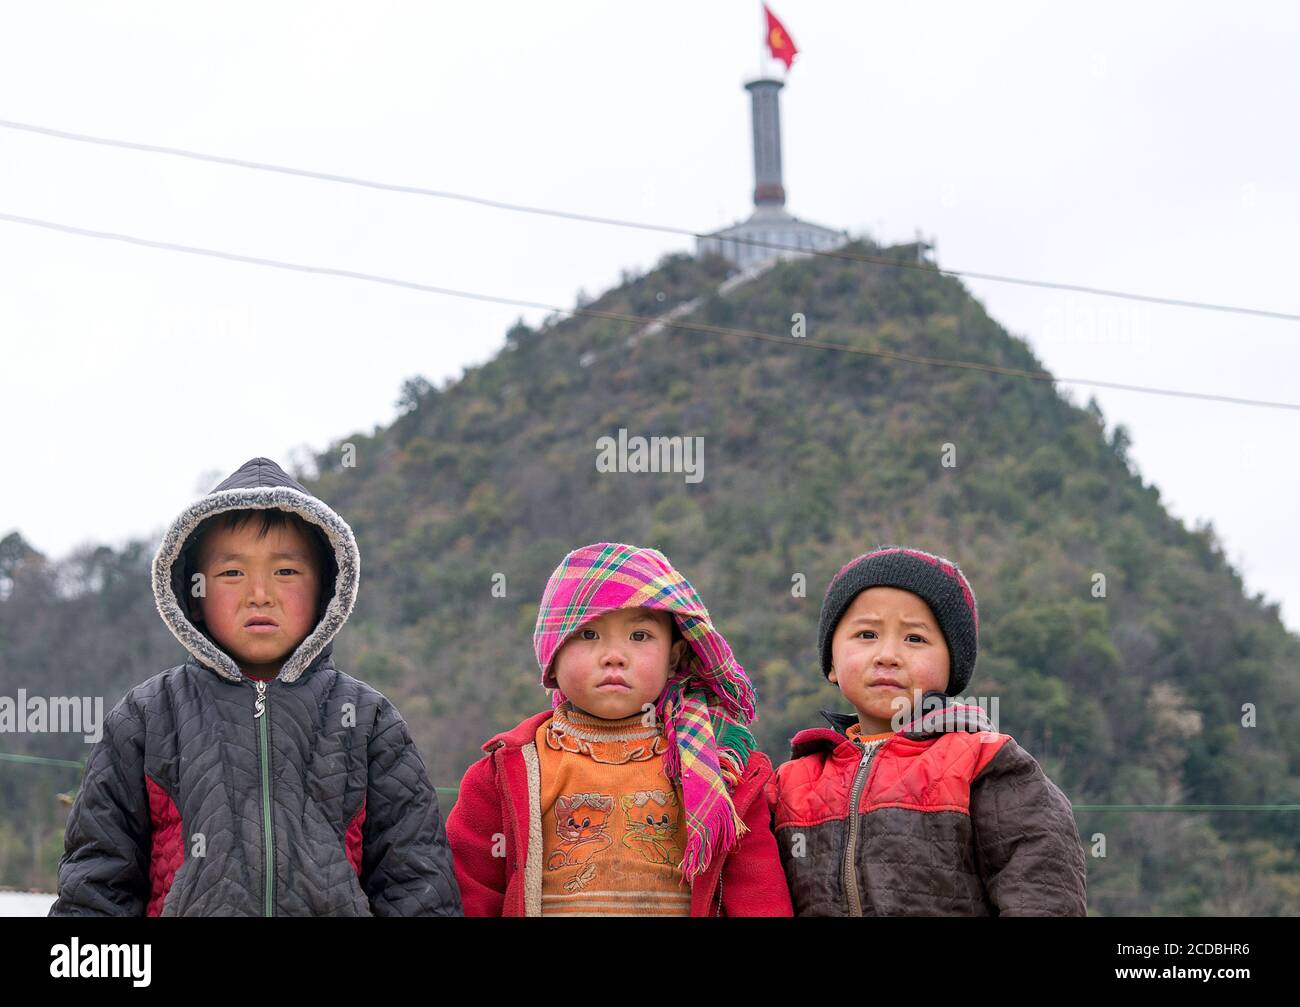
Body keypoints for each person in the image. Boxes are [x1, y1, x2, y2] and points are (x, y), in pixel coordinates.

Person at [49, 457, 461, 916]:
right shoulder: (146, 717)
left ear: (327, 590)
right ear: (194, 594)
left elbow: (416, 881)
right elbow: (96, 882)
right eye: (231, 573)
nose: (259, 593)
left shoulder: (368, 720)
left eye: (285, 572)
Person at [447, 542, 791, 916]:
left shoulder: (718, 772)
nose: (614, 655)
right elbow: (471, 893)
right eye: (589, 634)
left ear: (674, 658)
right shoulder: (508, 771)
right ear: (553, 655)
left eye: (639, 636)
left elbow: (758, 895)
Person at [769, 545, 1087, 916]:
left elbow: (1042, 892)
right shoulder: (791, 783)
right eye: (866, 634)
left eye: (915, 639)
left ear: (952, 667)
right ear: (832, 664)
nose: (887, 654)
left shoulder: (985, 763)